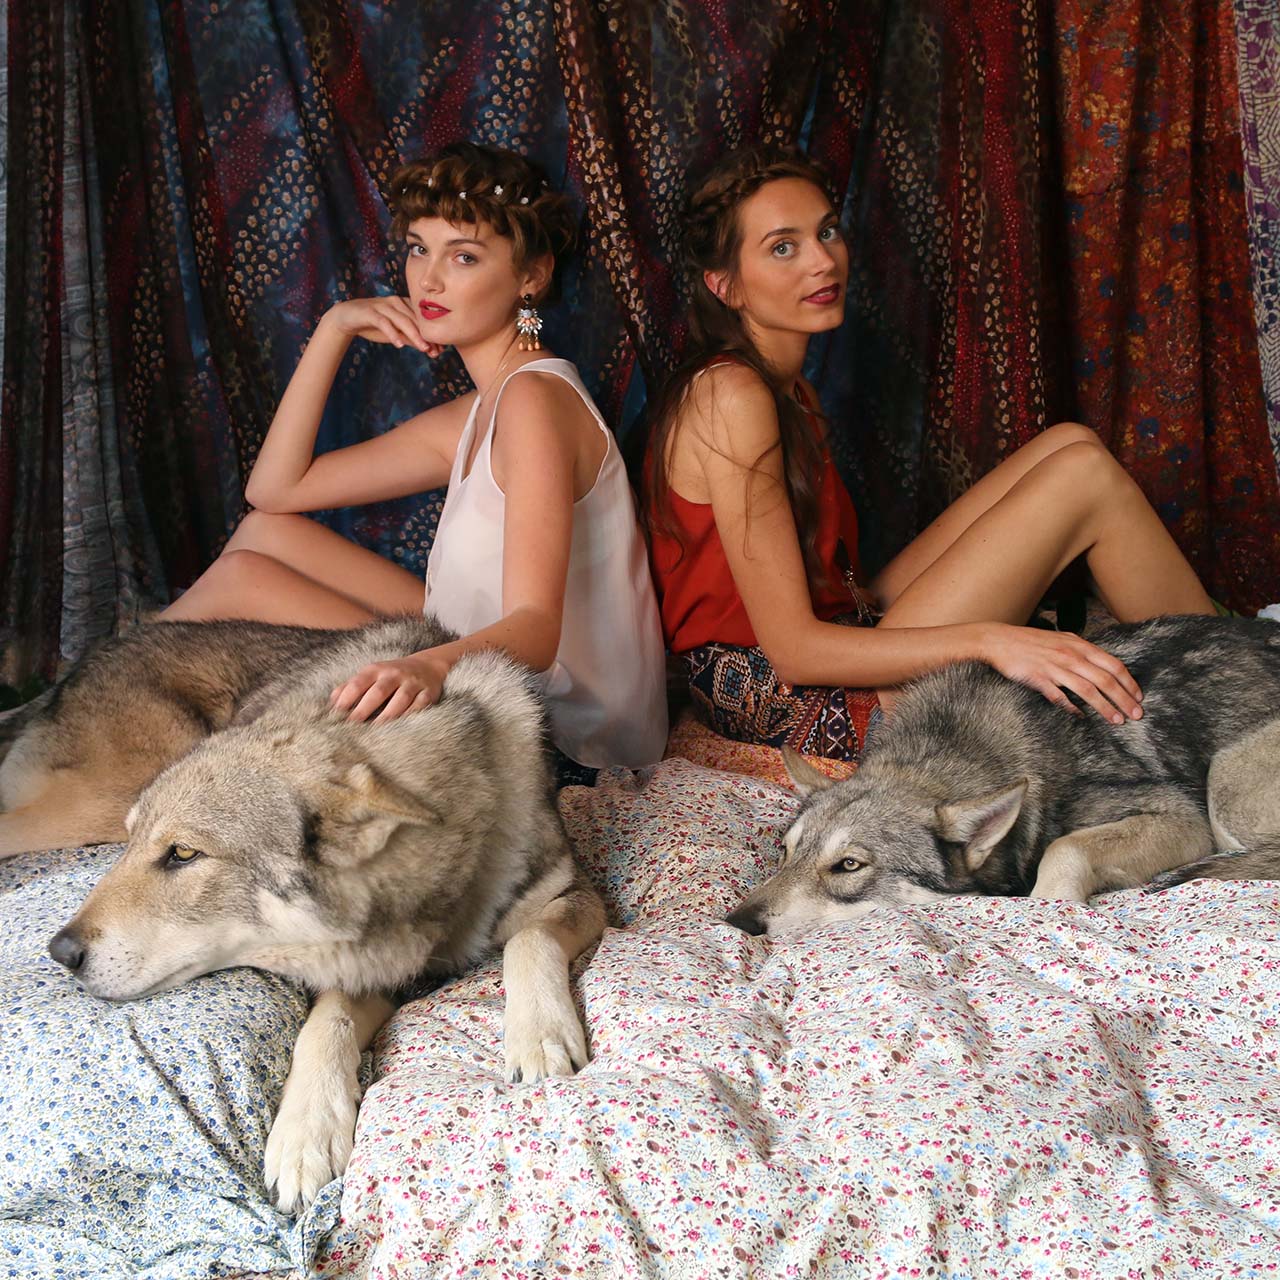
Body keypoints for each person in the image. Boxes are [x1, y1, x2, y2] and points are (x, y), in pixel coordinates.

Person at [640, 146, 1215, 760]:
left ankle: (1234, 671)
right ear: (725, 285)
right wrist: (994, 641)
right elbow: (795, 652)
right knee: (1082, 477)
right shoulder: (730, 395)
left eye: (827, 231)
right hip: (794, 700)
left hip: (843, 628)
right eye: (783, 247)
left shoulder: (789, 388)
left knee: (1071, 443)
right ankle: (1240, 691)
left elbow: (840, 593)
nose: (823, 261)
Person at [162, 141, 667, 780]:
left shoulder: (535, 401)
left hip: (563, 735)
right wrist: (335, 328)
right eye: (418, 249)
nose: (428, 280)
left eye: (464, 256)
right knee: (264, 535)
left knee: (242, 579)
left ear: (532, 276)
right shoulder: (484, 407)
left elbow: (536, 632)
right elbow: (276, 491)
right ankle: (122, 695)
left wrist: (424, 664)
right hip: (481, 664)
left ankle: (105, 703)